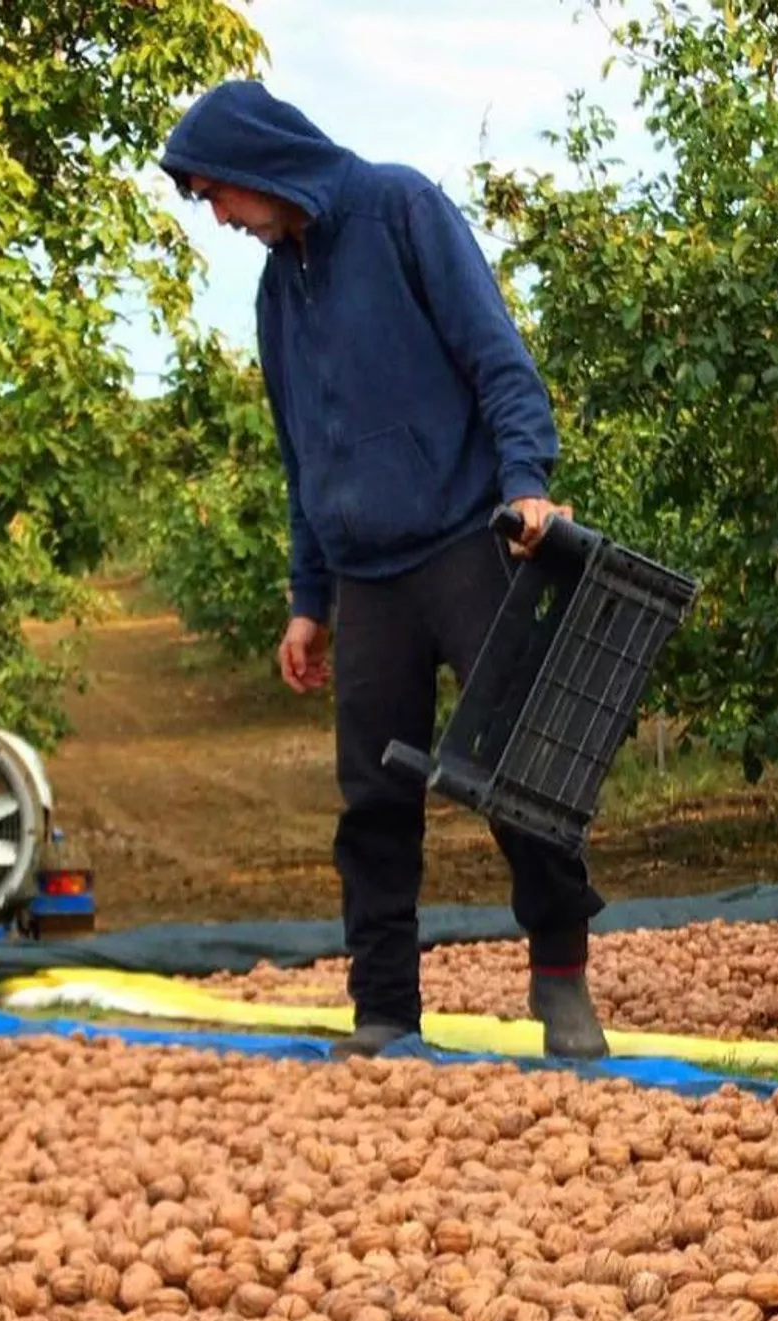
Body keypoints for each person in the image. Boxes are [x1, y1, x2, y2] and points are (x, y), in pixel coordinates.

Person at [159, 79, 611, 1061]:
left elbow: (499, 359)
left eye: (218, 195)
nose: (221, 218)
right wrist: (306, 598)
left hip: (462, 541)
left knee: (517, 777)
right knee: (371, 803)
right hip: (366, 581)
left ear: (257, 165)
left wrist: (527, 483)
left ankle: (562, 983)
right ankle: (385, 1013)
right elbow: (301, 456)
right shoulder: (279, 289)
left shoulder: (400, 209)